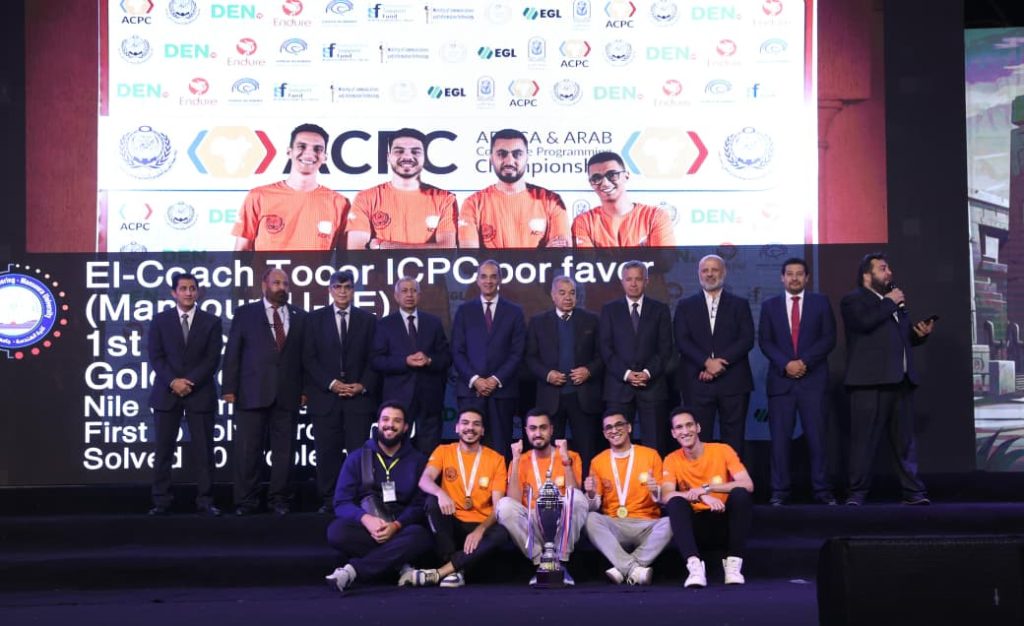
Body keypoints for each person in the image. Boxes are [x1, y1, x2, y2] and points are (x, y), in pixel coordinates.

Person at [841, 253, 935, 506]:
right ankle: (856, 493)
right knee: (864, 442)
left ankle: (913, 492)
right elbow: (864, 323)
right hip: (869, 383)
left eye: (889, 268)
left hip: (900, 381)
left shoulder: (893, 304)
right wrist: (890, 302)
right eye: (883, 268)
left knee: (905, 442)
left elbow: (899, 340)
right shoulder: (854, 300)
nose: (889, 272)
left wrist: (918, 335)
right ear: (867, 275)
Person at [223, 268, 306, 515]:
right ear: (264, 285)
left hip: (288, 394)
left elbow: (305, 357)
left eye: (285, 283)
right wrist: (229, 388)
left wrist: (305, 390)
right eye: (276, 283)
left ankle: (279, 499)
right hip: (251, 393)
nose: (282, 287)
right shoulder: (245, 313)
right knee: (248, 451)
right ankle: (246, 501)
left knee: (285, 452)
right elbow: (233, 353)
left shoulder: (300, 316)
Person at [325, 402, 433, 592]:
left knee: (421, 536)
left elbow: (420, 503)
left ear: (405, 427)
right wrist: (365, 519)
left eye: (397, 421)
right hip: (369, 527)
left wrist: (396, 525)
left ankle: (352, 571)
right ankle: (401, 565)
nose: (390, 425)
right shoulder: (357, 457)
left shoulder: (418, 460)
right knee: (337, 532)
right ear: (378, 424)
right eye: (385, 419)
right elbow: (341, 502)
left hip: (402, 527)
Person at [758, 258, 837, 505]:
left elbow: (829, 338)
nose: (794, 278)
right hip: (781, 382)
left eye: (799, 274)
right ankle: (779, 492)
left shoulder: (820, 302)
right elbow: (765, 341)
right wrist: (786, 364)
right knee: (780, 443)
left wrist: (804, 362)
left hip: (813, 381)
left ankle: (822, 491)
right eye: (789, 274)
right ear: (782, 278)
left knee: (818, 440)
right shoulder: (769, 305)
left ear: (807, 278)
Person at [147, 272, 223, 516]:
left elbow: (212, 359)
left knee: (204, 451)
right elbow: (156, 356)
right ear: (174, 293)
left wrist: (190, 382)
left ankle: (205, 501)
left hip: (199, 393)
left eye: (192, 288)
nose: (189, 292)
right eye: (183, 288)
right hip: (166, 394)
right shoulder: (160, 321)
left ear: (198, 292)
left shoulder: (212, 321)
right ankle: (161, 501)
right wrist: (173, 381)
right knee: (163, 451)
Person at [303, 270, 379, 514]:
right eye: (338, 287)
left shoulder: (368, 320)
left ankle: (357, 499)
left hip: (358, 400)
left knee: (359, 453)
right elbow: (308, 359)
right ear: (330, 290)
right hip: (326, 398)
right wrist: (331, 383)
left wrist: (362, 385)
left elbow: (374, 358)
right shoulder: (313, 320)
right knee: (327, 452)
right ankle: (329, 499)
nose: (343, 291)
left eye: (347, 287)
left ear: (353, 290)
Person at [408, 410, 510, 587]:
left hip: (479, 525)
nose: (470, 428)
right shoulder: (444, 451)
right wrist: (440, 493)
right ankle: (455, 569)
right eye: (465, 423)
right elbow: (424, 480)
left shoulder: (496, 459)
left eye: (476, 424)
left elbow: (498, 507)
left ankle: (443, 572)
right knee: (432, 503)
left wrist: (480, 530)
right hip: (452, 521)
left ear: (482, 431)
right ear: (456, 428)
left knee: (502, 532)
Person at [661, 407, 754, 587]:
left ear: (698, 427)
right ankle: (695, 568)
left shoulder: (722, 450)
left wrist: (707, 489)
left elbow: (748, 484)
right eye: (679, 427)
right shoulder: (671, 459)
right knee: (675, 502)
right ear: (673, 433)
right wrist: (701, 497)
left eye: (689, 425)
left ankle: (733, 565)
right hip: (697, 526)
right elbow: (666, 495)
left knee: (741, 494)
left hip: (724, 521)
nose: (685, 431)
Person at [673, 254, 754, 457]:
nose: (709, 274)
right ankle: (702, 478)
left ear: (723, 273)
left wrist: (718, 365)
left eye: (714, 270)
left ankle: (733, 478)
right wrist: (706, 362)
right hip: (697, 382)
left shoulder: (740, 304)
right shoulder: (685, 305)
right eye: (705, 270)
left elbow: (746, 340)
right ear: (699, 274)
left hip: (733, 382)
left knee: (734, 439)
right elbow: (682, 340)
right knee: (699, 439)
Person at [496, 409, 588, 586]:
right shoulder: (519, 460)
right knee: (504, 505)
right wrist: (515, 461)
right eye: (533, 428)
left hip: (560, 522)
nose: (538, 433)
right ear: (526, 431)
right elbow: (514, 502)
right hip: (531, 523)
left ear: (551, 430)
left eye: (543, 428)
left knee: (576, 497)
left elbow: (574, 496)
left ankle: (559, 561)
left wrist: (565, 462)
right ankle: (542, 563)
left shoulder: (570, 456)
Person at [525, 275, 604, 471]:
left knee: (587, 449)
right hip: (551, 399)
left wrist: (588, 371)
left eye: (572, 293)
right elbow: (530, 358)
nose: (568, 297)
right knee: (551, 452)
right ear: (553, 295)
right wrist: (547, 374)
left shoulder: (592, 320)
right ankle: (552, 487)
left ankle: (587, 488)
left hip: (583, 397)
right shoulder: (538, 322)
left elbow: (603, 355)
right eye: (562, 293)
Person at [584, 411, 672, 586]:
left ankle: (622, 569)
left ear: (629, 427)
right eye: (609, 427)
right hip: (615, 524)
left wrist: (655, 490)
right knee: (590, 518)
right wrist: (591, 494)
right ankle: (635, 570)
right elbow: (594, 506)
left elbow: (662, 499)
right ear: (604, 433)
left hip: (647, 524)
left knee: (672, 521)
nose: (614, 430)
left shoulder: (650, 455)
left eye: (619, 425)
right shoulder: (598, 461)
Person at [232, 123, 350, 251]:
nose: (309, 154)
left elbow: (346, 258)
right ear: (289, 152)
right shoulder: (258, 196)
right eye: (301, 147)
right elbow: (241, 251)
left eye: (318, 149)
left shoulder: (339, 203)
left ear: (325, 157)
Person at [451, 260, 526, 458]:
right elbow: (457, 351)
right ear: (477, 280)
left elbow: (517, 352)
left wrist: (495, 380)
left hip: (502, 392)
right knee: (469, 448)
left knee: (500, 448)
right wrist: (476, 380)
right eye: (484, 276)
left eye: (493, 276)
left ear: (500, 279)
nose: (488, 281)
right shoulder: (464, 311)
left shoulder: (514, 312)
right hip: (470, 392)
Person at [599, 260, 674, 455]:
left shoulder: (660, 309)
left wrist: (647, 373)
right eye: (629, 279)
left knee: (655, 445)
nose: (633, 283)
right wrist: (626, 374)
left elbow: (665, 348)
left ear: (646, 281)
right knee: (618, 444)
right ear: (622, 282)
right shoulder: (609, 310)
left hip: (652, 387)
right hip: (618, 388)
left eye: (638, 279)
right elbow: (605, 348)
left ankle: (654, 476)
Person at [371, 277, 451, 455]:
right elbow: (377, 360)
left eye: (413, 291)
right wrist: (404, 361)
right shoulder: (384, 324)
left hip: (429, 397)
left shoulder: (433, 323)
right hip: (398, 398)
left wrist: (429, 360)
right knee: (396, 449)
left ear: (419, 295)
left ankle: (427, 475)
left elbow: (446, 358)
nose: (409, 295)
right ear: (396, 296)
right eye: (405, 291)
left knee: (429, 451)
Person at [344, 128, 457, 250]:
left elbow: (447, 249)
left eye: (415, 152)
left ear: (425, 158)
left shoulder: (445, 199)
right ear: (388, 157)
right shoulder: (366, 198)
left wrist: (384, 246)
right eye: (399, 151)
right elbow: (356, 252)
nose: (407, 156)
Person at [458, 128, 570, 248]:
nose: (509, 161)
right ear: (491, 158)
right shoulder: (473, 204)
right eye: (502, 154)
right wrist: (543, 254)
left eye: (517, 154)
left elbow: (560, 253)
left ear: (527, 157)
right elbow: (469, 256)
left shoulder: (551, 201)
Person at [572, 151, 675, 247]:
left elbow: (664, 259)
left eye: (612, 175)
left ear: (626, 176)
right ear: (591, 183)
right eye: (596, 178)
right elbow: (586, 261)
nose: (605, 183)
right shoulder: (583, 222)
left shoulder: (655, 217)